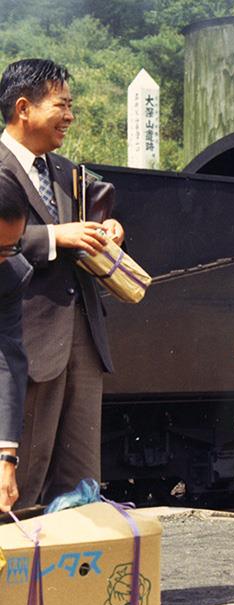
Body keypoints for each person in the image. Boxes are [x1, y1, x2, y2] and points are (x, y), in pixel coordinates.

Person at [0, 58, 125, 506]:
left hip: (82, 338)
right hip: (25, 342)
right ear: (23, 108)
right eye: (62, 104)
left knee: (80, 482)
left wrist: (109, 228)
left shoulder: (65, 169)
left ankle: (71, 575)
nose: (70, 116)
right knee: (22, 479)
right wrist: (55, 236)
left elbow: (97, 209)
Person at [0, 168, 33, 512]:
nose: (2, 258)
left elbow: (7, 361)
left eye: (11, 246)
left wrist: (6, 459)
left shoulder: (11, 273)